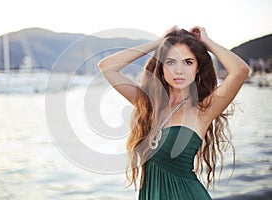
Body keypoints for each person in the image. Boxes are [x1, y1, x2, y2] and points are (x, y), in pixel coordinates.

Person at [97, 26, 250, 200]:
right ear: (161, 66)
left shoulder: (203, 109)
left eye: (188, 62)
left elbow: (240, 70)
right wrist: (157, 43)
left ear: (198, 68)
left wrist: (208, 42)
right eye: (170, 62)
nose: (179, 70)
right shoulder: (149, 103)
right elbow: (107, 67)